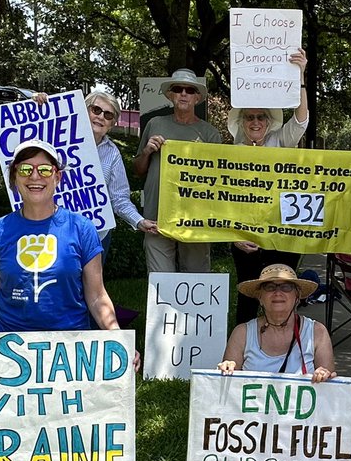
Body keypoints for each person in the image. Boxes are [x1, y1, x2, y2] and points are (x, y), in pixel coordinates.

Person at [0, 139, 122, 333]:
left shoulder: (82, 228)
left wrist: (118, 338)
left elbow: (97, 297)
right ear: (14, 178)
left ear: (57, 177)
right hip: (7, 345)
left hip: (69, 348)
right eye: (25, 169)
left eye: (45, 169)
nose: (35, 176)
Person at [228, 48, 310, 322]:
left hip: (283, 230)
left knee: (283, 291)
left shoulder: (280, 140)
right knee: (249, 294)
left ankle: (284, 345)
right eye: (249, 117)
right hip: (245, 238)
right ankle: (242, 352)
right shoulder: (230, 153)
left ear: (268, 122)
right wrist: (234, 235)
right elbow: (221, 201)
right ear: (242, 122)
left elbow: (300, 119)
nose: (255, 122)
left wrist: (300, 75)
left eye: (260, 117)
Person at [33, 90, 158, 253]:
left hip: (95, 237)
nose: (100, 117)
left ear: (112, 123)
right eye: (96, 110)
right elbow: (28, 152)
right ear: (84, 110)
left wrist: (139, 221)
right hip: (50, 232)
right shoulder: (56, 140)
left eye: (108, 115)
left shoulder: (112, 154)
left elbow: (119, 198)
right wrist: (37, 108)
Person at [133, 69, 223, 273]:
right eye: (178, 89)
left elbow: (218, 181)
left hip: (195, 220)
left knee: (196, 279)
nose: (184, 93)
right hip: (157, 218)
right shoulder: (155, 124)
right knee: (160, 282)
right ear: (171, 95)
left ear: (197, 98)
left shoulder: (210, 134)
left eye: (189, 90)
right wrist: (147, 151)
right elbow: (138, 170)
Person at [218, 264, 337, 383]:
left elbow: (328, 388)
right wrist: (228, 367)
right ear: (260, 297)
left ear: (297, 296)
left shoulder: (317, 332)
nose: (278, 292)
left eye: (286, 287)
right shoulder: (242, 333)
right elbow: (228, 387)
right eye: (269, 287)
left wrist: (324, 374)